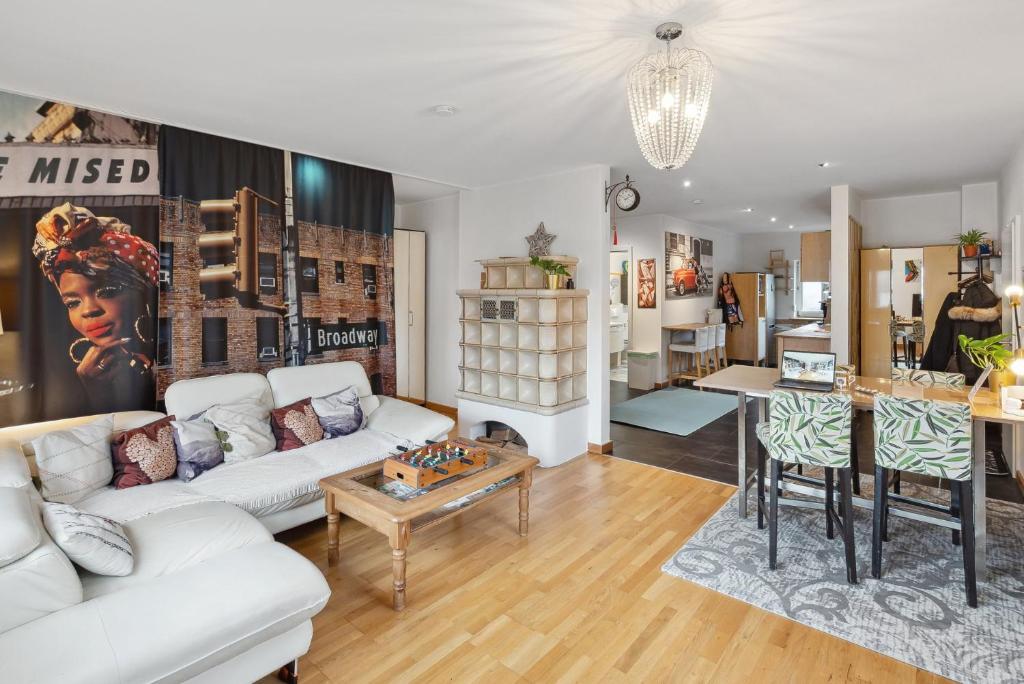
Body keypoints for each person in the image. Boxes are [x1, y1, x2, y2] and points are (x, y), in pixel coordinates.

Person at [33, 202, 158, 412]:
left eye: (107, 292)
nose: (89, 310)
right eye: (72, 302)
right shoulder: (63, 384)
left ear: (143, 293)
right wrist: (98, 391)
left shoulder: (175, 353)